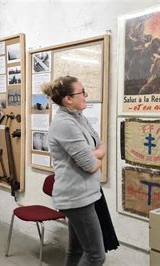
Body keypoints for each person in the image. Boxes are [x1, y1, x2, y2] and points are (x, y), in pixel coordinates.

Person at [42, 76, 107, 266]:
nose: (86, 95)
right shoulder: (65, 123)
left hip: (86, 194)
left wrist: (96, 156)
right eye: (82, 92)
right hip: (77, 198)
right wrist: (97, 158)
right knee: (96, 256)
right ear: (68, 99)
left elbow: (101, 144)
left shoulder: (78, 118)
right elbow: (90, 165)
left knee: (76, 250)